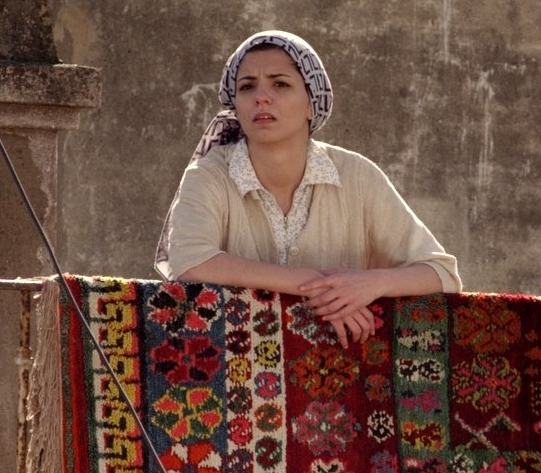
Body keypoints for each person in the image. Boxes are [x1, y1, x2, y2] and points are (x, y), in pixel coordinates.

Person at [155, 30, 461, 346]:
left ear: (311, 105)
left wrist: (369, 283)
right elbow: (190, 263)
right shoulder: (208, 175)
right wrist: (316, 284)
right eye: (247, 86)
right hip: (232, 367)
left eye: (280, 84)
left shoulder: (357, 177)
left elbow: (441, 274)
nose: (261, 96)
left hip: (346, 373)